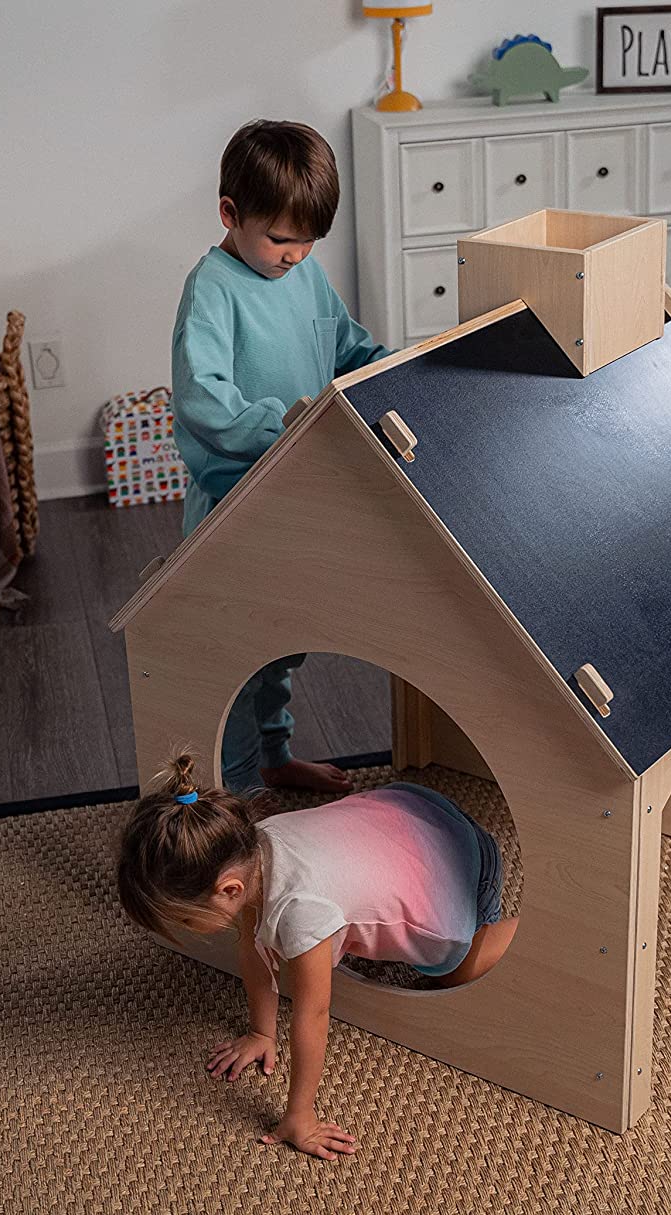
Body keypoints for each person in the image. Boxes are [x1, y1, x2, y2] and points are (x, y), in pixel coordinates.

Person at [116, 753, 519, 1161]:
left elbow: (313, 1012)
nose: (187, 927)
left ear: (229, 890)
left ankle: (527, 932)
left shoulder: (300, 912)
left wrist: (300, 1115)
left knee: (456, 970)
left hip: (468, 875)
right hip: (417, 810)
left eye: (186, 917)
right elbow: (253, 945)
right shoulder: (251, 843)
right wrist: (262, 1032)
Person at [170, 119, 393, 797]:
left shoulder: (307, 275)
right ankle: (236, 791)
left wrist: (387, 373)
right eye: (279, 238)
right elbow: (202, 399)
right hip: (237, 501)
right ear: (230, 215)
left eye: (308, 241)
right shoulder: (212, 287)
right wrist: (287, 424)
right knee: (238, 653)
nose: (294, 254)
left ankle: (274, 755)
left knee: (281, 646)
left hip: (303, 487)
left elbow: (345, 348)